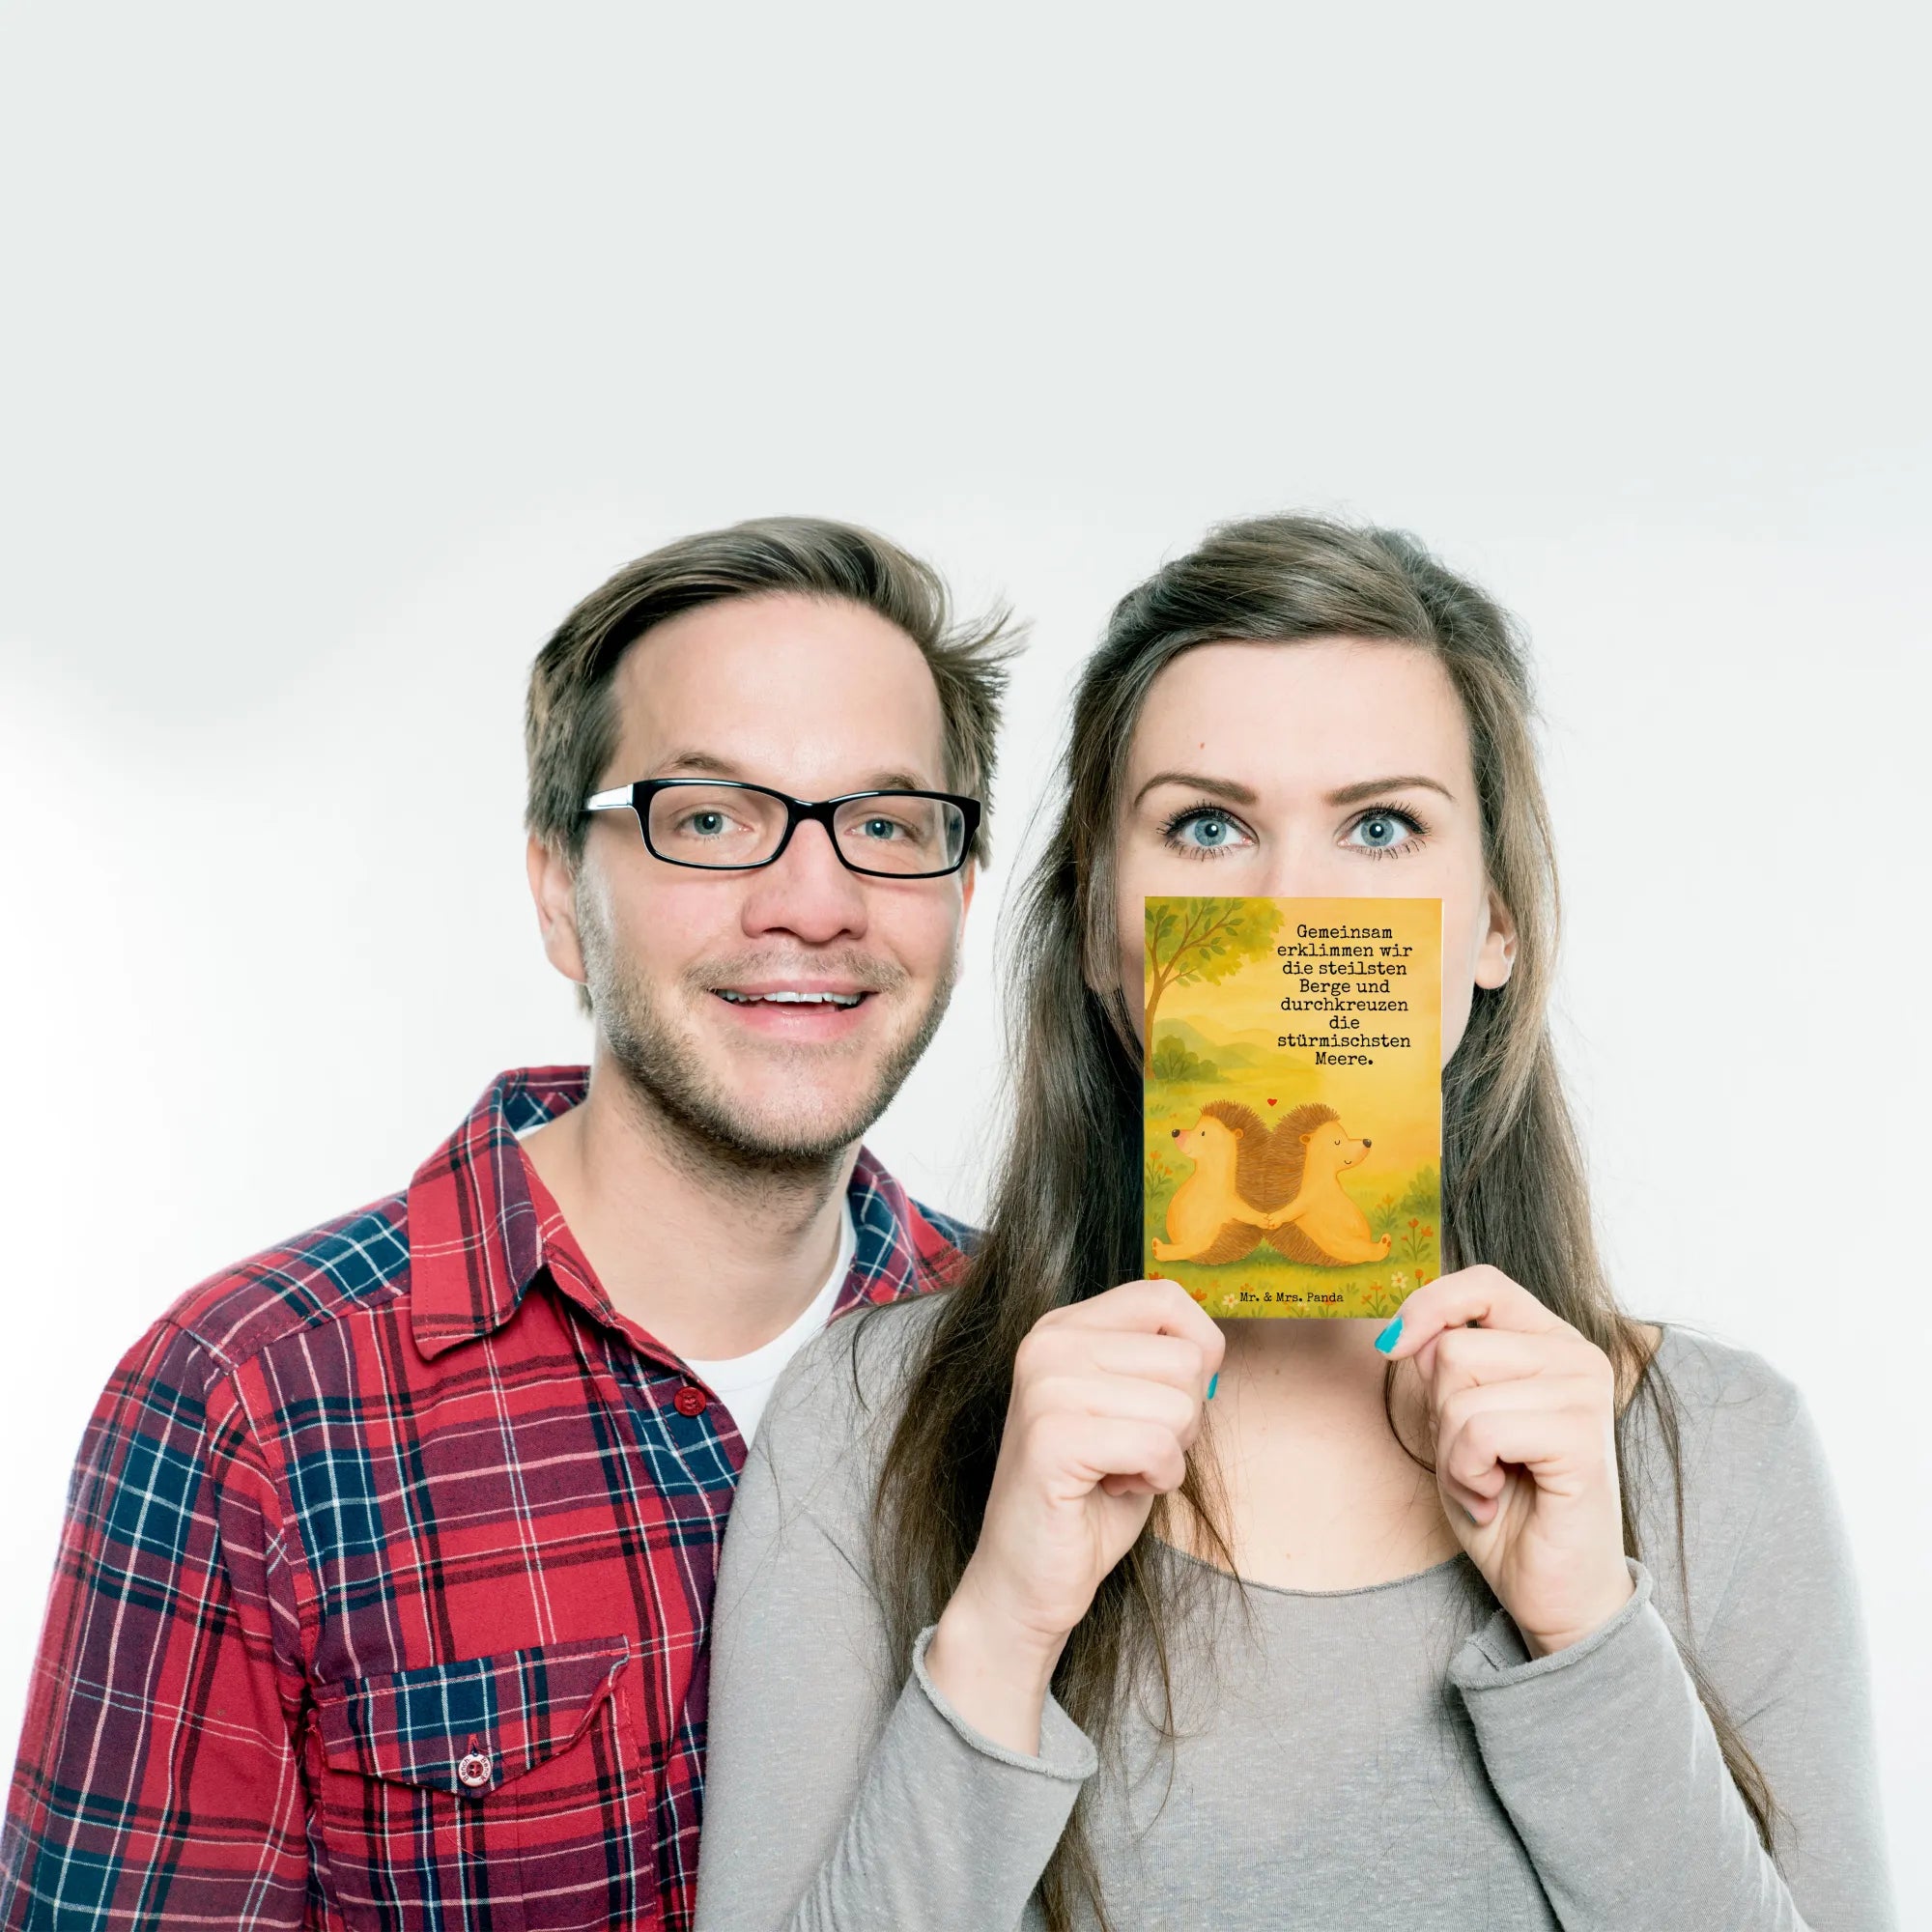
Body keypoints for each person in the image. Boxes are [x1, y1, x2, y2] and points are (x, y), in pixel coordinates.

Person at [693, 514, 1896, 1930]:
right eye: (1207, 828)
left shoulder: (1723, 1450)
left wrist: (1585, 1631)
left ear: (1494, 924)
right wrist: (1003, 1623)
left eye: (1381, 828)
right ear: (1100, 927)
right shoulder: (867, 1420)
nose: (1292, 908)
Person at [0, 517, 1016, 1930]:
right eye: (710, 820)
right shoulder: (247, 1403)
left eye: (888, 827)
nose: (815, 902)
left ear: (960, 891)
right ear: (558, 894)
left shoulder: (1032, 1348)